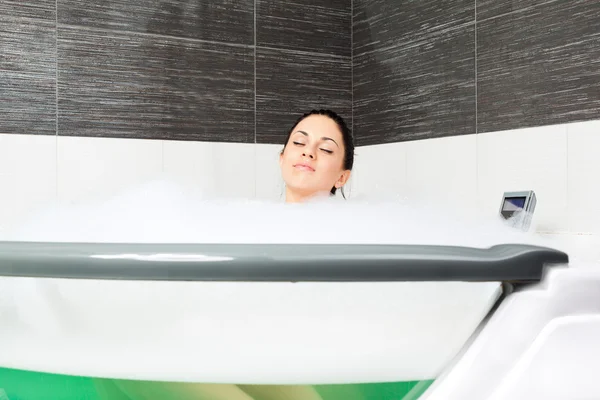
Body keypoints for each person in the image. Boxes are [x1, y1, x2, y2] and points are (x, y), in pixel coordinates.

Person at [279, 109, 355, 203]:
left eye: (325, 149)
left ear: (342, 177)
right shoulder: (260, 216)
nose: (308, 152)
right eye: (299, 142)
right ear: (282, 158)